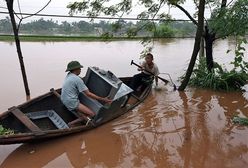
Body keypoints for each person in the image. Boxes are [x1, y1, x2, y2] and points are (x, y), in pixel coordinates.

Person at [61, 61, 112, 126]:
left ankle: (80, 114)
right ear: (75, 70)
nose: (80, 70)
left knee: (83, 111)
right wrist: (103, 99)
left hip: (63, 98)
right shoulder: (77, 79)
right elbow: (88, 94)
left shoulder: (69, 75)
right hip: (71, 101)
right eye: (79, 69)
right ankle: (71, 124)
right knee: (92, 114)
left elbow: (78, 81)